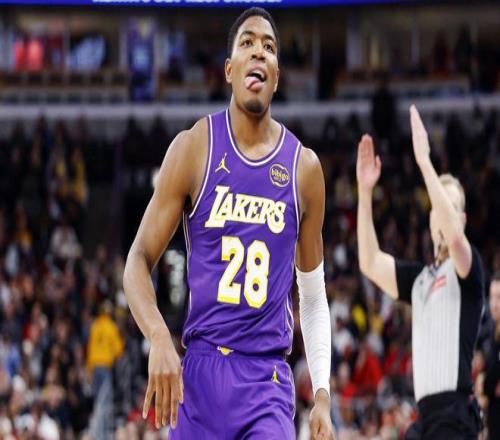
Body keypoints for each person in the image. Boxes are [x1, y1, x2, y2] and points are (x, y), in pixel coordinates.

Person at [123, 7, 334, 440]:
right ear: (229, 69)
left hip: (266, 380)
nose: (259, 52)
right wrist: (158, 336)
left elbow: (312, 297)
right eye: (247, 43)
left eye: (269, 47)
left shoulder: (304, 169)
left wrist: (323, 394)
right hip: (200, 374)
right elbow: (137, 260)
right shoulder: (193, 148)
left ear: (277, 76)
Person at [356, 105, 484, 439]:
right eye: (439, 206)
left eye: (452, 207)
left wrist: (425, 162)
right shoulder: (419, 280)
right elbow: (369, 261)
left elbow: (454, 237)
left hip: (454, 415)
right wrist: (365, 193)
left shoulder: (469, 268)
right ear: (430, 221)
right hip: (424, 418)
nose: (444, 212)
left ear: (462, 219)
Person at [484, 272, 500, 439]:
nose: (494, 304)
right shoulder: (492, 333)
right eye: (492, 297)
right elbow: (489, 385)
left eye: (499, 298)